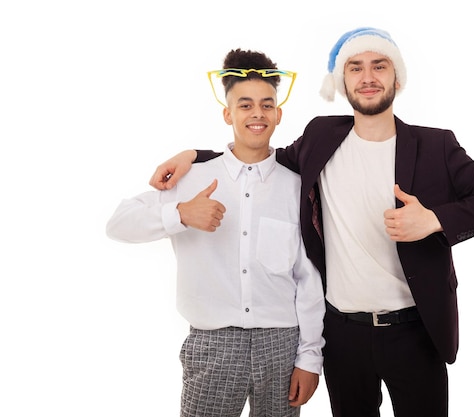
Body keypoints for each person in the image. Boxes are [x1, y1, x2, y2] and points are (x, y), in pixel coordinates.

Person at [148, 27, 474, 417]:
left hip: (416, 331)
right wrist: (195, 155)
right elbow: (260, 157)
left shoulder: (436, 146)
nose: (367, 77)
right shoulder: (321, 137)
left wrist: (434, 219)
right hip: (343, 336)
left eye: (379, 66)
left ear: (397, 78)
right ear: (341, 83)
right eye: (355, 68)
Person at [106, 49, 325, 417]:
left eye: (266, 105)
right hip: (212, 344)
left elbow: (308, 277)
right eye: (245, 105)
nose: (257, 113)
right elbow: (118, 224)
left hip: (282, 344)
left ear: (278, 113)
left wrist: (310, 356)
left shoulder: (297, 187)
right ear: (228, 114)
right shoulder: (190, 177)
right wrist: (180, 213)